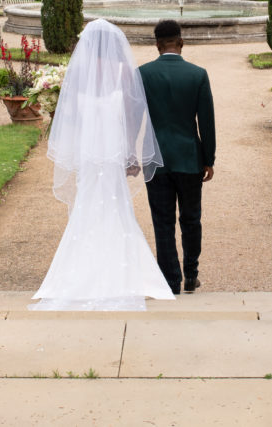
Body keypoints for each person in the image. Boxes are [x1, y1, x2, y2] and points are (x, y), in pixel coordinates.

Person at [30, 19, 175, 311]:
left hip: (89, 152)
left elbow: (70, 119)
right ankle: (123, 271)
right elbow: (134, 115)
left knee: (89, 206)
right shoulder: (124, 74)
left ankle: (81, 271)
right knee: (116, 208)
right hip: (112, 151)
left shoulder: (76, 75)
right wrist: (132, 154)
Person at [138, 19, 216, 295]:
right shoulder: (198, 74)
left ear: (157, 45)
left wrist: (131, 154)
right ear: (181, 42)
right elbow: (206, 121)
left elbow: (134, 118)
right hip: (189, 157)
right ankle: (191, 276)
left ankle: (170, 280)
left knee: (163, 221)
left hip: (155, 159)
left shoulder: (143, 74)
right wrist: (209, 159)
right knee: (191, 218)